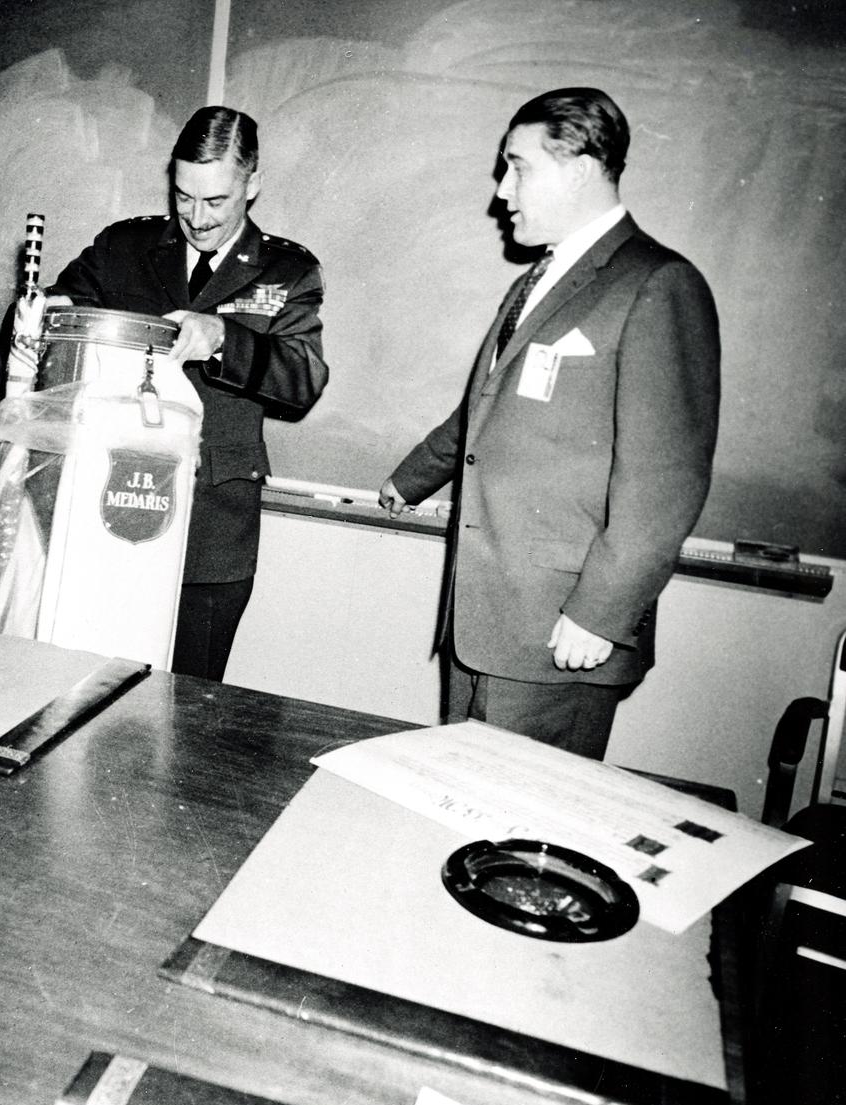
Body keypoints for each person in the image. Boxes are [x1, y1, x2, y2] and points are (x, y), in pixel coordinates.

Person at [379, 87, 720, 760]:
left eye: (517, 166)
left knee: (521, 836)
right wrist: (411, 477)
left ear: (579, 168)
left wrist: (600, 613)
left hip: (558, 627)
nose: (501, 191)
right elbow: (490, 404)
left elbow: (666, 480)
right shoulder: (542, 277)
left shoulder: (656, 284)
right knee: (462, 807)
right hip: (485, 616)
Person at [46, 106, 328, 680]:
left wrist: (224, 337)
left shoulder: (287, 271)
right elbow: (55, 312)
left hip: (212, 531)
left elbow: (302, 380)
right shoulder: (124, 247)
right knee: (87, 686)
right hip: (107, 507)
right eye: (183, 197)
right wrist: (34, 319)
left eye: (216, 201)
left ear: (254, 185)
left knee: (189, 706)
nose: (196, 218)